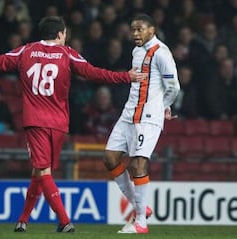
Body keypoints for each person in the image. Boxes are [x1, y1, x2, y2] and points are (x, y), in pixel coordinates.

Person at [0, 16, 143, 233]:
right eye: (65, 33)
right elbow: (94, 73)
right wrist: (126, 77)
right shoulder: (68, 54)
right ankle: (30, 219)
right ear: (60, 34)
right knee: (40, 171)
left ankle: (62, 221)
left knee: (42, 172)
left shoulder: (25, 51)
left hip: (35, 121)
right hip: (58, 124)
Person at [103, 14, 180, 234]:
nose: (135, 34)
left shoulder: (162, 53)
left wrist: (163, 106)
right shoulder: (136, 51)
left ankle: (140, 223)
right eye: (133, 30)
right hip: (128, 114)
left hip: (148, 117)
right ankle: (141, 207)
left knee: (138, 164)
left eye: (140, 30)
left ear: (152, 30)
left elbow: (174, 87)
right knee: (109, 158)